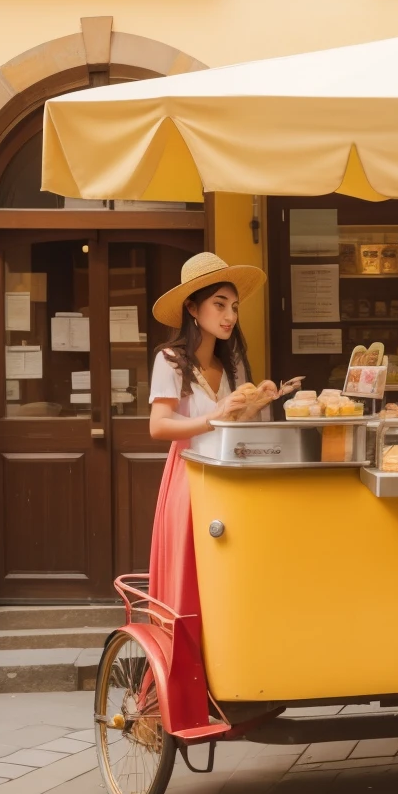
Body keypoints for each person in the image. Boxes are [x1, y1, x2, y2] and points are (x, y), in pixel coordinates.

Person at [144, 252, 301, 616]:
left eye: (234, 306)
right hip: (189, 476)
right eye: (219, 305)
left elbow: (236, 423)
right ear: (192, 308)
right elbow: (159, 425)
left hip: (230, 473)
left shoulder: (232, 364)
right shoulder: (169, 360)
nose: (230, 316)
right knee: (192, 572)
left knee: (227, 577)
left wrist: (259, 403)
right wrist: (213, 417)